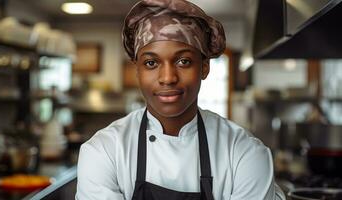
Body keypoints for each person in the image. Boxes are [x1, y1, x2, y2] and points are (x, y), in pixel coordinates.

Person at [76, 0, 286, 199]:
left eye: (184, 61)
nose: (168, 78)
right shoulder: (103, 151)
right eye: (151, 63)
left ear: (204, 67)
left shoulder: (244, 153)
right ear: (137, 71)